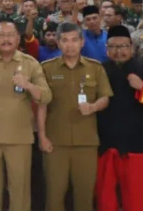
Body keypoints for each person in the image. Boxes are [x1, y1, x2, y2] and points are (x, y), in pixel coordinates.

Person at [0, 19, 51, 211]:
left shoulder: (30, 63)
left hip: (19, 137)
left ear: (18, 38)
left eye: (10, 35)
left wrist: (29, 86)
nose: (6, 39)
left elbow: (46, 96)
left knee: (19, 189)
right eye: (1, 35)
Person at [37, 22, 113, 211]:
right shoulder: (46, 68)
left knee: (85, 195)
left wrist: (93, 106)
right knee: (54, 194)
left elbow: (105, 97)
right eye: (64, 40)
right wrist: (42, 136)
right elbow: (41, 105)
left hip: (86, 142)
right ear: (57, 42)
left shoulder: (95, 68)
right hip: (55, 142)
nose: (69, 45)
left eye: (74, 40)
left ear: (82, 42)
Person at [96, 25, 143, 211]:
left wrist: (142, 88)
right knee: (105, 198)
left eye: (123, 46)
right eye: (113, 47)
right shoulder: (98, 70)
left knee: (135, 198)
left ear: (132, 47)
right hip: (105, 145)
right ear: (107, 48)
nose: (118, 51)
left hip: (136, 146)